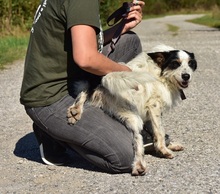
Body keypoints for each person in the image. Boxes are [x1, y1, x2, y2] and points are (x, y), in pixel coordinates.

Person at [20, 0, 147, 174]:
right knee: (127, 156)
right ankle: (52, 135)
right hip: (50, 98)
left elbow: (85, 43)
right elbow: (86, 58)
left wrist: (121, 27)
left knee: (129, 41)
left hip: (72, 78)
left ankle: (112, 120)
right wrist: (126, 73)